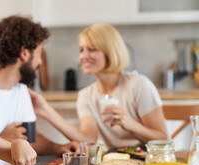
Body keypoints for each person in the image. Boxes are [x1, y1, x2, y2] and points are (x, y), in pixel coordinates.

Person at [29, 23, 168, 149]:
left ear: (110, 51)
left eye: (92, 49)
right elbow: (89, 140)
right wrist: (46, 110)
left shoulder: (138, 85)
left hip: (151, 162)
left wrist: (129, 124)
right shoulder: (86, 95)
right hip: (117, 163)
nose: (84, 56)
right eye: (81, 50)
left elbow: (164, 139)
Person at [0, 15, 81, 165]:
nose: (40, 62)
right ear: (25, 52)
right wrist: (4, 140)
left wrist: (60, 148)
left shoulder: (20, 90)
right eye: (39, 53)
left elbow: (29, 139)